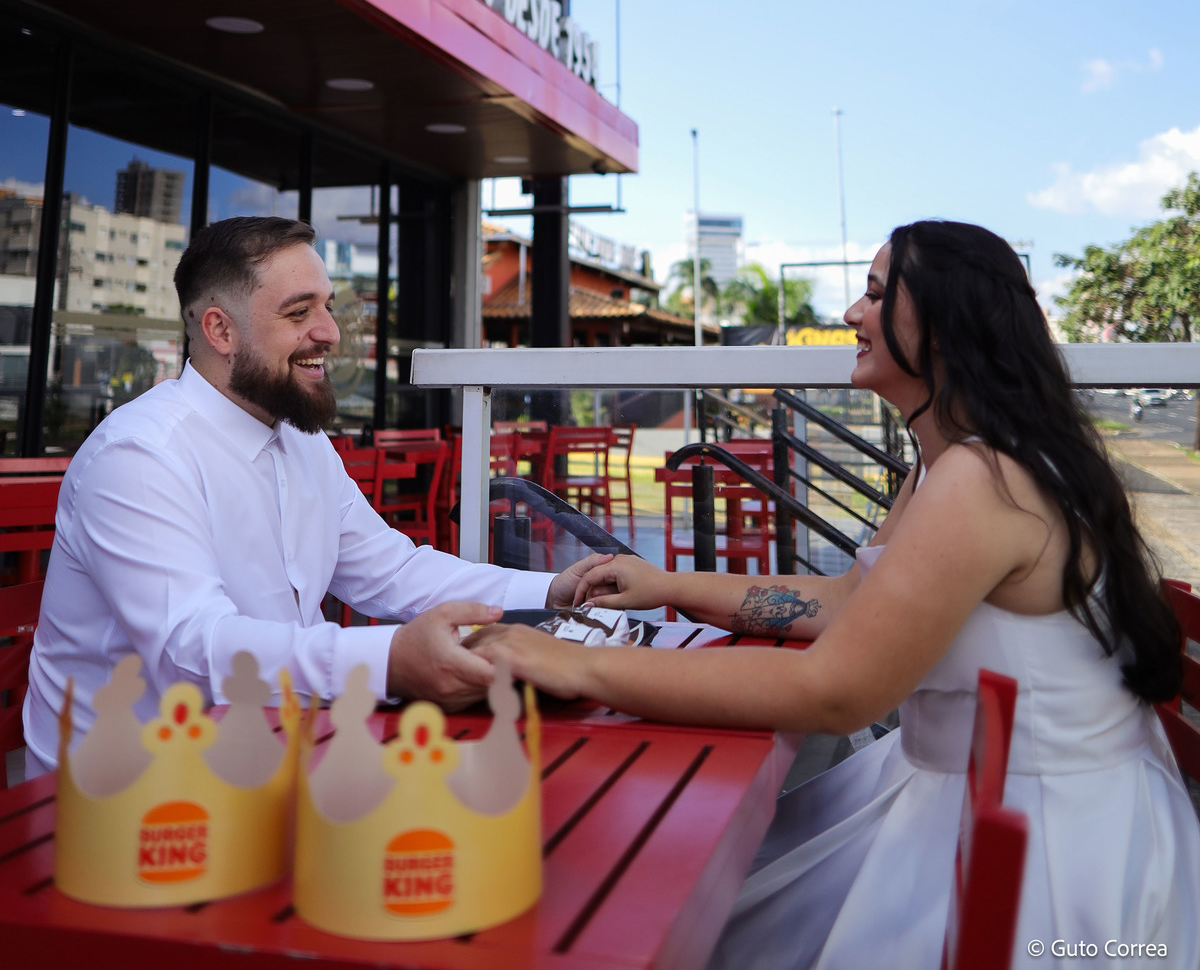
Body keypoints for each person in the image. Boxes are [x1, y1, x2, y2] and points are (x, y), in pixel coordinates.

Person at [471, 221, 1200, 966]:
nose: (853, 314)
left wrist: (576, 663)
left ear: (942, 326)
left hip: (1046, 849)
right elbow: (851, 601)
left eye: (876, 295)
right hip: (976, 796)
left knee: (675, 914)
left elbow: (834, 693)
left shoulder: (985, 478)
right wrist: (666, 585)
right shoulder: (953, 461)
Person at [24, 216, 599, 776]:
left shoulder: (302, 440)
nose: (330, 332)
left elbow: (391, 571)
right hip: (122, 793)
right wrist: (391, 662)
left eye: (326, 306)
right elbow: (192, 654)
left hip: (269, 755)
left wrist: (555, 591)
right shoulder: (140, 455)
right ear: (221, 331)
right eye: (299, 312)